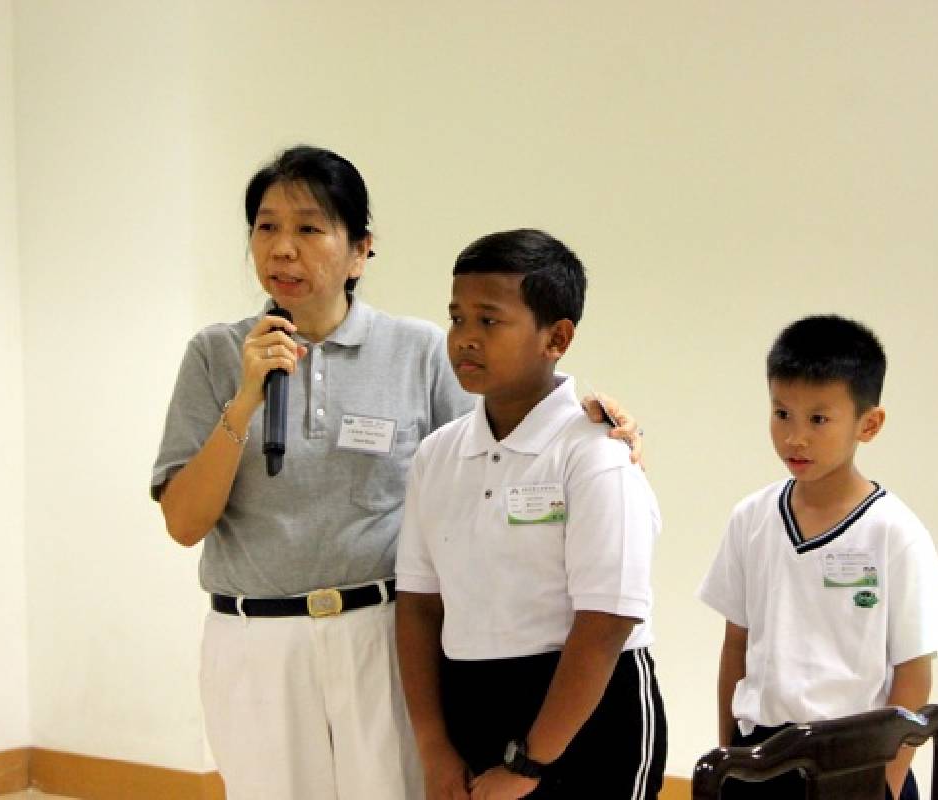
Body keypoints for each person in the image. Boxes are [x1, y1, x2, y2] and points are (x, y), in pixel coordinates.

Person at [150, 148, 641, 800]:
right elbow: (185, 524)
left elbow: (498, 442)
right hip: (253, 641)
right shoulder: (216, 354)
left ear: (359, 251)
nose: (283, 250)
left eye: (309, 228)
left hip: (380, 635)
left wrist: (595, 424)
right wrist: (244, 400)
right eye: (266, 228)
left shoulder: (417, 351)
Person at [395, 229, 666, 800]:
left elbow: (606, 622)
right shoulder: (437, 454)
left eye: (489, 321)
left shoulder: (594, 453)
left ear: (557, 338)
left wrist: (531, 764)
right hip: (470, 701)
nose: (466, 339)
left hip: (589, 711)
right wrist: (433, 745)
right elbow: (419, 606)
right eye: (457, 318)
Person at [697, 315, 938, 800]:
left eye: (818, 420)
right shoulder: (751, 518)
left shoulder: (894, 531)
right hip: (762, 756)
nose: (795, 437)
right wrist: (732, 756)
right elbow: (735, 645)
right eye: (782, 414)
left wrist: (885, 781)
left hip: (861, 763)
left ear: (869, 424)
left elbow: (914, 670)